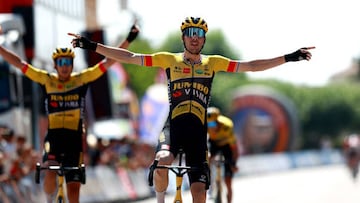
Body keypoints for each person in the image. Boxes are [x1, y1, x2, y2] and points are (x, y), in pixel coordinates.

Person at [69, 16, 315, 203]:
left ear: (204, 39)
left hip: (198, 133)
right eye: (190, 33)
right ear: (183, 37)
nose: (194, 37)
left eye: (199, 33)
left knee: (199, 193)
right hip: (173, 127)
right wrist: (92, 45)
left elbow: (251, 66)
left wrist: (288, 57)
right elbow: (130, 56)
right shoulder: (169, 59)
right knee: (163, 160)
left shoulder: (213, 63)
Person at [0, 24, 139, 203]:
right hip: (54, 138)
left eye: (68, 62)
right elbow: (20, 64)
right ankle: (50, 198)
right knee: (50, 170)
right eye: (61, 62)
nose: (64, 66)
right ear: (55, 65)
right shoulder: (47, 80)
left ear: (72, 65)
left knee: (74, 191)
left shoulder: (80, 79)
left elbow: (108, 62)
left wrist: (128, 40)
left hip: (74, 140)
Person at [207, 107, 238, 203]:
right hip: (214, 143)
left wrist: (233, 163)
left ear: (218, 121)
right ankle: (209, 183)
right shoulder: (206, 125)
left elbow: (234, 147)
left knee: (228, 181)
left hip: (227, 146)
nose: (211, 127)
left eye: (212, 124)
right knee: (207, 157)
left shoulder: (227, 126)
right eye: (208, 124)